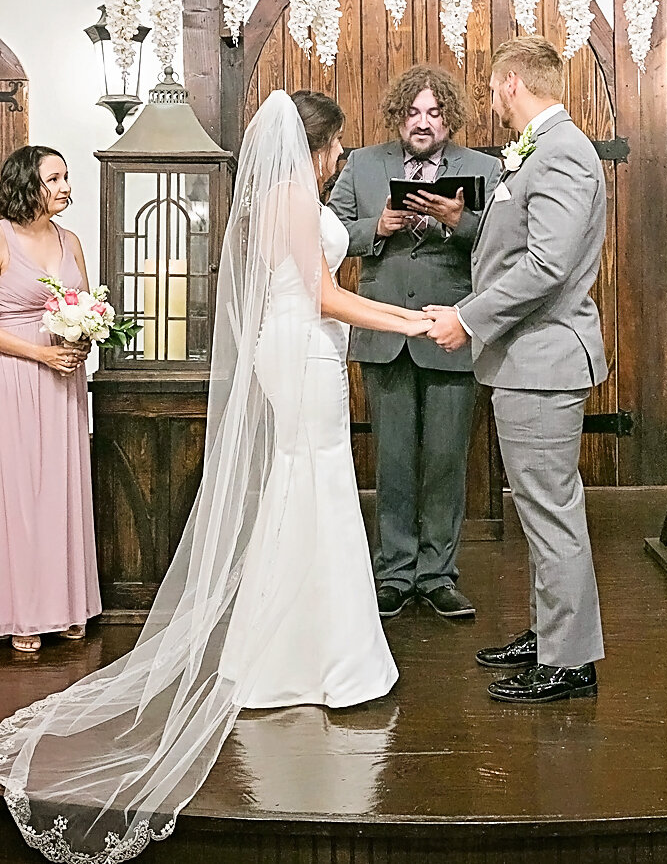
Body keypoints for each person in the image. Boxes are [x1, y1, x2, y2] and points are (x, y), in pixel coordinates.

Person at [0, 90, 431, 863]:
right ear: (319, 145)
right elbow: (326, 294)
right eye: (336, 147)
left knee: (306, 493)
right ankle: (312, 659)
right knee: (316, 489)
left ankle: (292, 650)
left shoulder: (276, 197)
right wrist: (411, 319)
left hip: (301, 347)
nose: (339, 160)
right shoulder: (296, 197)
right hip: (303, 352)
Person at [426, 37, 608, 703]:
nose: (493, 101)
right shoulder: (547, 148)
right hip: (528, 358)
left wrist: (469, 318)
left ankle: (569, 661)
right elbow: (519, 250)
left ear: (507, 84)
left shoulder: (560, 153)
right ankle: (549, 631)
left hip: (542, 359)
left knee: (551, 510)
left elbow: (547, 267)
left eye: (493, 88)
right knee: (539, 509)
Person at [330, 65, 501, 620]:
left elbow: (501, 244)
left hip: (449, 330)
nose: (422, 123)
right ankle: (395, 572)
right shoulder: (362, 164)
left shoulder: (483, 169)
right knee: (394, 460)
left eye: (433, 114)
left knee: (448, 459)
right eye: (413, 114)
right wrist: (375, 228)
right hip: (383, 332)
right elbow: (327, 236)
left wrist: (459, 221)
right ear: (398, 117)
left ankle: (438, 574)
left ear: (448, 117)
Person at [0, 145, 101, 654]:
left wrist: (82, 339)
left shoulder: (71, 240)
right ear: (26, 184)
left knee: (62, 490)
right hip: (14, 379)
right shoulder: (0, 236)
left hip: (64, 382)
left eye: (66, 176)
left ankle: (63, 606)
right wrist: (39, 356)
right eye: (54, 178)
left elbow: (87, 302)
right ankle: (20, 612)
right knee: (19, 494)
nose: (65, 186)